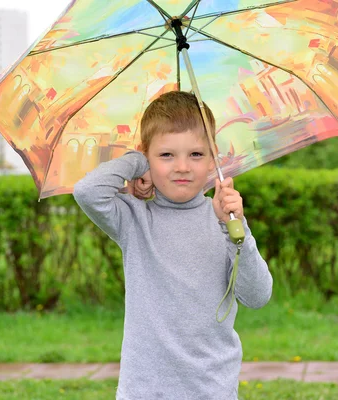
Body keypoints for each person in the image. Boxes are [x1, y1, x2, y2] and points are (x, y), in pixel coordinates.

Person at [74, 91, 273, 400]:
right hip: (145, 390)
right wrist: (137, 163)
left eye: (196, 154)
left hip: (212, 389)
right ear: (147, 155)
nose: (182, 167)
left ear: (213, 158)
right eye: (166, 155)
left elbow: (258, 296)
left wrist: (237, 230)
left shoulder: (225, 222)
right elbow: (87, 191)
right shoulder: (133, 219)